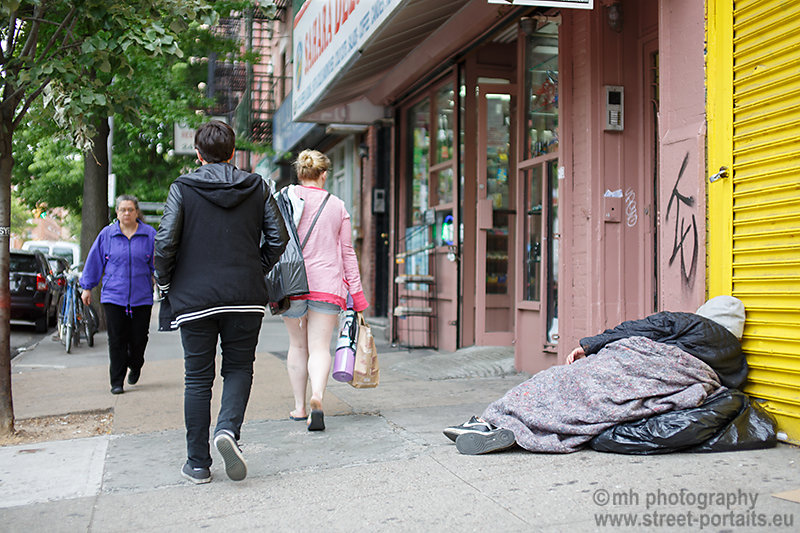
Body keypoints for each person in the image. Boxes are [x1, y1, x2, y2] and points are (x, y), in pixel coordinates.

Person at [154, 120, 288, 484]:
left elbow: (165, 243)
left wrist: (166, 283)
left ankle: (198, 464)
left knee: (197, 379)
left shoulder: (182, 188)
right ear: (233, 153)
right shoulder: (257, 186)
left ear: (198, 155)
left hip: (195, 298)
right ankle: (227, 430)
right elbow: (279, 240)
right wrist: (253, 269)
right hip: (245, 296)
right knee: (239, 368)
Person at [444, 295, 748, 455]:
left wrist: (589, 346)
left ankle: (491, 420)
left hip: (640, 361)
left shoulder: (691, 323)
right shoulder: (735, 360)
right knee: (601, 406)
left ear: (706, 313)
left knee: (555, 382)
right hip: (675, 380)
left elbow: (639, 328)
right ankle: (529, 433)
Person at [282, 149, 368, 431]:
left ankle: (299, 407)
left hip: (291, 284)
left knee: (297, 345)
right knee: (320, 347)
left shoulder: (284, 199)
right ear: (324, 175)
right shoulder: (337, 206)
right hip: (327, 286)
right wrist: (356, 294)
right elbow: (347, 253)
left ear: (299, 174)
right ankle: (317, 398)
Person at [81, 195, 156, 395]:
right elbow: (94, 261)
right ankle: (117, 381)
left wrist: (167, 285)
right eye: (122, 210)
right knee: (116, 340)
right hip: (114, 296)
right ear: (117, 212)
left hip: (141, 296)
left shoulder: (149, 235)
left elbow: (157, 265)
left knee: (139, 339)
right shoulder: (107, 235)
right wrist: (87, 287)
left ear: (136, 212)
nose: (126, 213)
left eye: (130, 210)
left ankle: (136, 364)